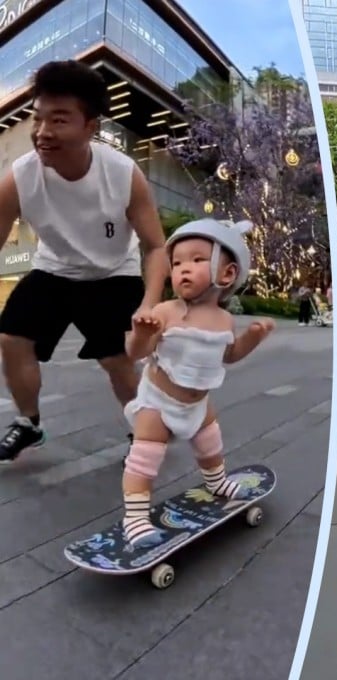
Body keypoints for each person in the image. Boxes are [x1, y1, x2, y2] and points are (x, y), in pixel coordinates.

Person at [0, 60, 169, 463]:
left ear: (90, 127)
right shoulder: (19, 178)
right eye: (38, 119)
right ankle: (28, 423)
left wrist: (149, 304)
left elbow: (156, 247)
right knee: (11, 338)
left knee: (116, 360)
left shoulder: (123, 174)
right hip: (54, 269)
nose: (43, 132)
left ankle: (144, 433)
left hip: (113, 272)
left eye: (59, 120)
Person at [121, 218, 274, 547]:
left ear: (227, 274)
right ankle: (135, 517)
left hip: (198, 404)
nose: (183, 269)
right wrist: (142, 335)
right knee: (144, 459)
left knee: (211, 445)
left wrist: (252, 338)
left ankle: (216, 481)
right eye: (177, 263)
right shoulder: (165, 312)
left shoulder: (225, 319)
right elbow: (135, 353)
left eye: (196, 259)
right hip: (157, 403)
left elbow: (229, 355)